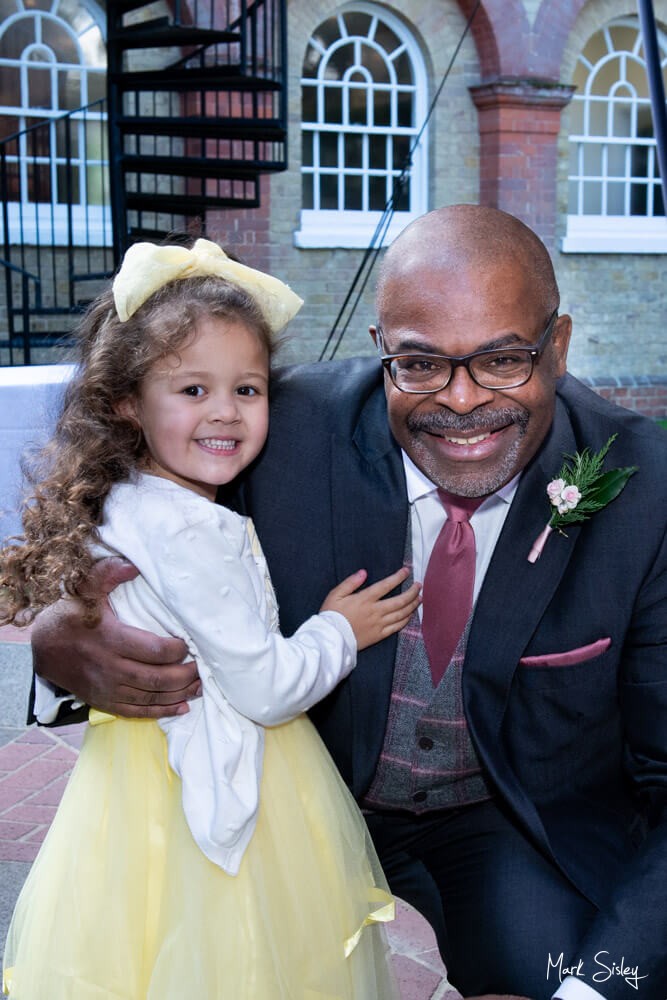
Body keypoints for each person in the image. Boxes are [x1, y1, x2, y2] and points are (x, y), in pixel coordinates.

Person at [30, 206, 667, 1000]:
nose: (460, 399)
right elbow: (138, 514)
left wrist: (595, 989)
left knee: (557, 980)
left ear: (558, 346)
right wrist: (57, 637)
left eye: (503, 359)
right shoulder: (274, 426)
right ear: (380, 347)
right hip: (279, 801)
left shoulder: (644, 489)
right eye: (420, 363)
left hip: (500, 821)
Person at [1, 237, 426, 998]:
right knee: (246, 957)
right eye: (192, 389)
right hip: (222, 783)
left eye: (247, 389)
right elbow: (266, 689)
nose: (225, 412)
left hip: (131, 782)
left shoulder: (129, 499)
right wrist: (339, 630)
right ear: (126, 401)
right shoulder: (187, 528)